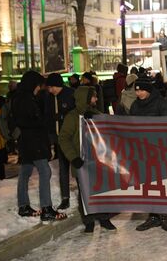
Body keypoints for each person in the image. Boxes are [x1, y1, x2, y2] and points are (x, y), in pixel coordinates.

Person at [58, 86, 116, 232]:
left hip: (98, 161)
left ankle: (104, 218)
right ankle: (88, 221)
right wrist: (74, 157)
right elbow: (63, 138)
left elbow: (108, 133)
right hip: (81, 161)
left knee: (101, 190)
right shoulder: (72, 117)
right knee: (84, 193)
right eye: (93, 97)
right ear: (85, 98)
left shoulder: (96, 113)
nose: (96, 99)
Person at [12, 71, 67, 221]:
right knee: (45, 171)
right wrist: (42, 126)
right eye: (37, 85)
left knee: (25, 172)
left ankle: (23, 206)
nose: (39, 88)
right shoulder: (27, 100)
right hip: (34, 142)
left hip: (25, 142)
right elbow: (34, 122)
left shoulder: (18, 97)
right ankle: (47, 208)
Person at [130, 77, 167, 235]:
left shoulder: (160, 103)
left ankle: (164, 217)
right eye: (136, 90)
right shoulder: (135, 105)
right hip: (142, 151)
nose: (138, 93)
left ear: (148, 91)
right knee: (148, 184)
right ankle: (153, 216)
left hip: (159, 151)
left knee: (160, 184)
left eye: (141, 90)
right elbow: (128, 125)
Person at [44, 73, 75, 210]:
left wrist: (62, 115)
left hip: (72, 139)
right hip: (59, 140)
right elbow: (48, 117)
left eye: (51, 87)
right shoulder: (49, 98)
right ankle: (65, 198)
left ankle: (85, 194)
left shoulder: (71, 94)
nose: (49, 90)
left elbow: (76, 113)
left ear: (56, 85)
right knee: (63, 169)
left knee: (77, 168)